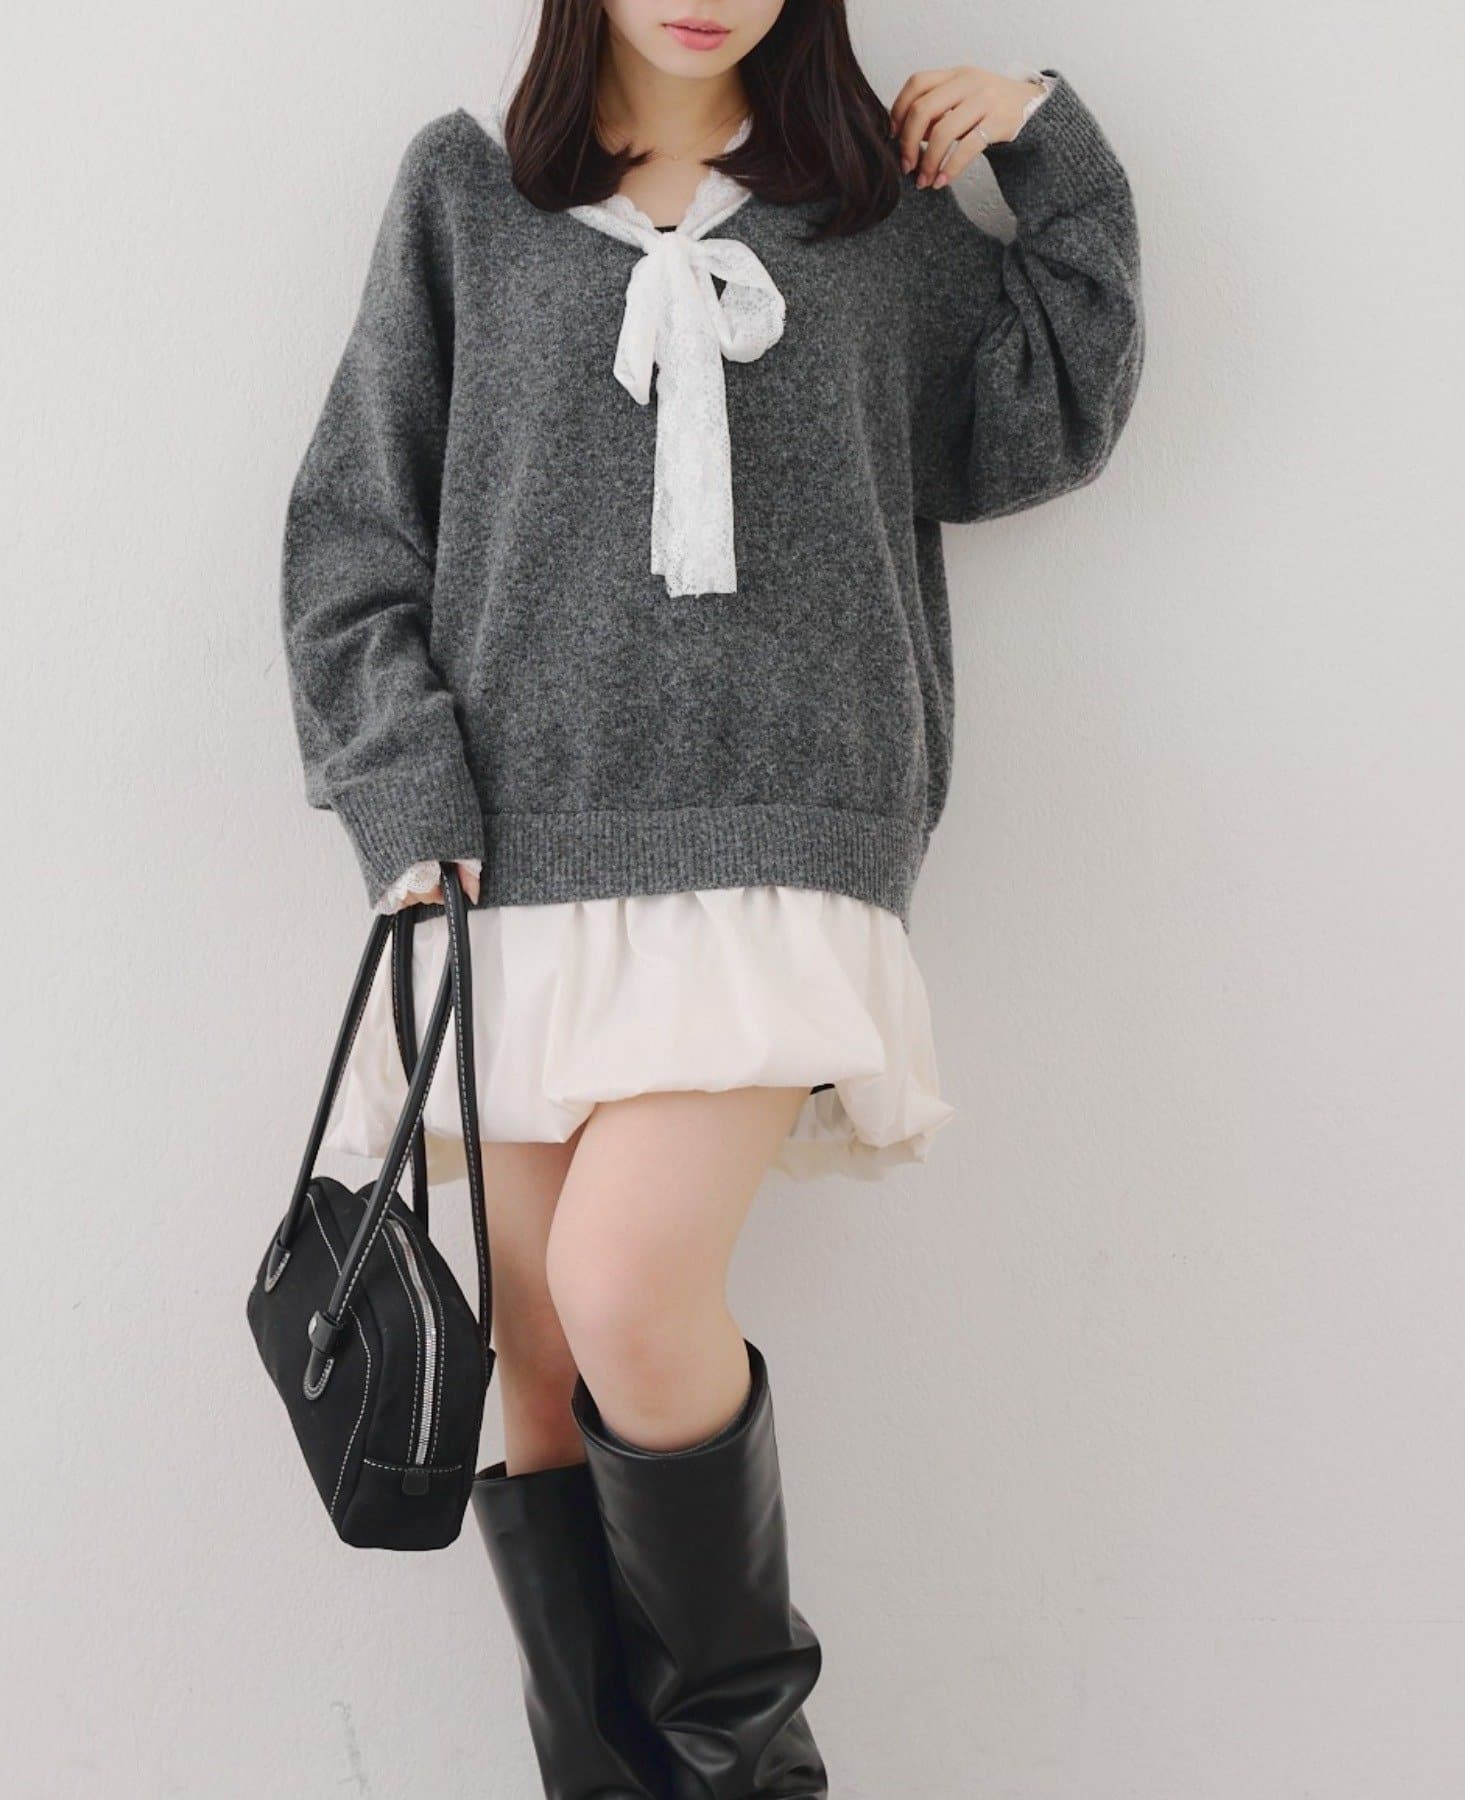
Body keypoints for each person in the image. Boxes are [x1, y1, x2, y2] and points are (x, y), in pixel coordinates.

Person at [277, 1, 1144, 1790]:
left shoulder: (867, 217)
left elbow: (1049, 408)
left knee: (622, 1284)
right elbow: (356, 532)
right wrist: (406, 796)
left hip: (784, 846)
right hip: (511, 865)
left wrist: (1044, 139)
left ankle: (762, 1777)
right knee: (535, 1366)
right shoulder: (465, 198)